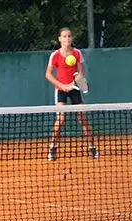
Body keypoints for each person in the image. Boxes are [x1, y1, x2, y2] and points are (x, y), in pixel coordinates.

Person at [45, 27, 98, 161]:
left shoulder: (77, 53)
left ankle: (92, 147)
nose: (67, 39)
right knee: (60, 120)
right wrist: (62, 85)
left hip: (74, 89)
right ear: (59, 39)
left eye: (69, 36)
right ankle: (53, 147)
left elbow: (81, 73)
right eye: (64, 36)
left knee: (83, 120)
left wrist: (74, 83)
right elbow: (48, 74)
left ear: (72, 38)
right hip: (61, 89)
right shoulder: (55, 55)